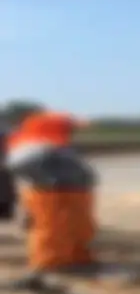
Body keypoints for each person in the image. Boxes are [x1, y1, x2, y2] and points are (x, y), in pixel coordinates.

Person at [5, 110, 96, 273]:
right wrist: (50, 183)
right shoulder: (35, 147)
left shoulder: (49, 145)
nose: (71, 133)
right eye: (68, 128)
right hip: (54, 196)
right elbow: (19, 166)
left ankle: (75, 260)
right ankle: (52, 264)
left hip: (70, 194)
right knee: (53, 231)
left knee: (76, 229)